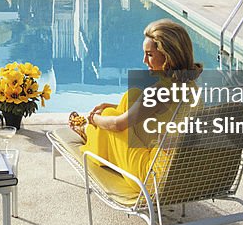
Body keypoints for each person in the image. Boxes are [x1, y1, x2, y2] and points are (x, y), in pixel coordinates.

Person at [68, 19, 202, 185]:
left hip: (151, 176)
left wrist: (95, 118)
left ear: (169, 57)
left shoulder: (159, 92)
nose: (144, 60)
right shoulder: (192, 86)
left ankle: (88, 131)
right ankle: (92, 131)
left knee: (109, 117)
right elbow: (159, 114)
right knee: (132, 96)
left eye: (150, 55)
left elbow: (118, 125)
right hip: (180, 172)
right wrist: (116, 108)